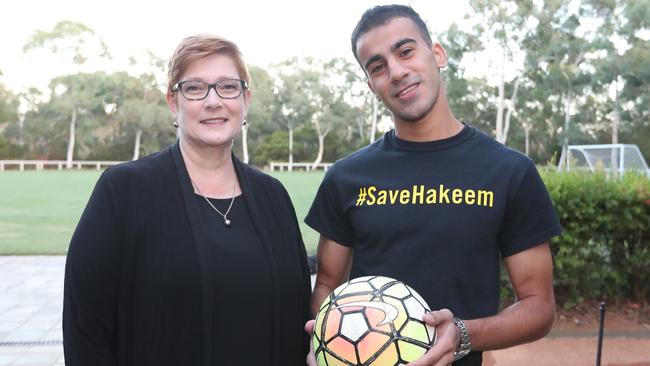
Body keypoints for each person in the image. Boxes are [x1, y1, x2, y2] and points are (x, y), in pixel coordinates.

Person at [305, 5, 562, 366]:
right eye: (377, 67)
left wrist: (463, 334)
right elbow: (327, 286)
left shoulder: (509, 171)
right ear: (370, 84)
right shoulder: (346, 177)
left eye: (405, 51)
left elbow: (539, 306)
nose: (396, 72)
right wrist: (324, 344)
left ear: (437, 54)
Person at [63, 34, 311, 366]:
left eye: (227, 87)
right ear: (173, 102)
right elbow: (86, 326)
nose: (213, 101)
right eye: (195, 88)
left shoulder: (274, 197)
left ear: (245, 100)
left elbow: (297, 316)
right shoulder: (124, 191)